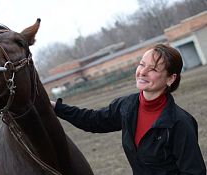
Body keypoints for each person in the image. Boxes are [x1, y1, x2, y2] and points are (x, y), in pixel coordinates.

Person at [51, 44, 206, 175]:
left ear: (170, 78)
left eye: (153, 69)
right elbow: (94, 120)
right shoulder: (127, 106)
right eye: (142, 64)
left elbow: (194, 172)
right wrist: (56, 108)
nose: (143, 72)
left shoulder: (179, 123)